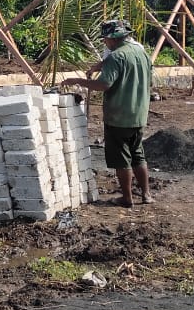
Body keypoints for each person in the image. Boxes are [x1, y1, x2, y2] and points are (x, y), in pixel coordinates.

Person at [60, 19, 155, 208]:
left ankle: (126, 198)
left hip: (118, 116)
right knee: (138, 154)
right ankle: (146, 195)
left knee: (122, 158)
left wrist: (76, 80)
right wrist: (100, 65)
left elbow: (104, 85)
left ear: (113, 39)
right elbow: (145, 79)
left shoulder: (115, 57)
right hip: (139, 114)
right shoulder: (141, 53)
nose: (105, 43)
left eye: (105, 40)